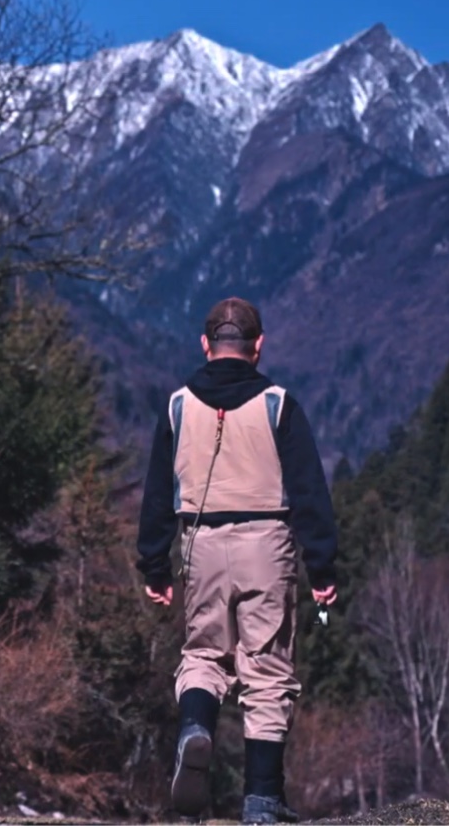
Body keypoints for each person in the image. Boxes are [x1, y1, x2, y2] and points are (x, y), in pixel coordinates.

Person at [136, 297, 338, 825]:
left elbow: (157, 492)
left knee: (203, 654)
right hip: (266, 544)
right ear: (258, 346)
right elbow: (311, 493)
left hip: (200, 543)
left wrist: (154, 566)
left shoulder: (178, 405)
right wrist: (323, 570)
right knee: (267, 672)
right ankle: (262, 800)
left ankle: (195, 727)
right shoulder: (278, 405)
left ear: (205, 346)